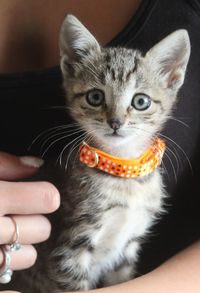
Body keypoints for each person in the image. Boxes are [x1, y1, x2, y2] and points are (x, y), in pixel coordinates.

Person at [0, 0, 199, 292]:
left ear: (172, 77)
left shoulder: (152, 184)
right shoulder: (83, 180)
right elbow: (69, 265)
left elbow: (122, 267)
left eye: (139, 102)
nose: (116, 119)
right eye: (96, 98)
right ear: (71, 69)